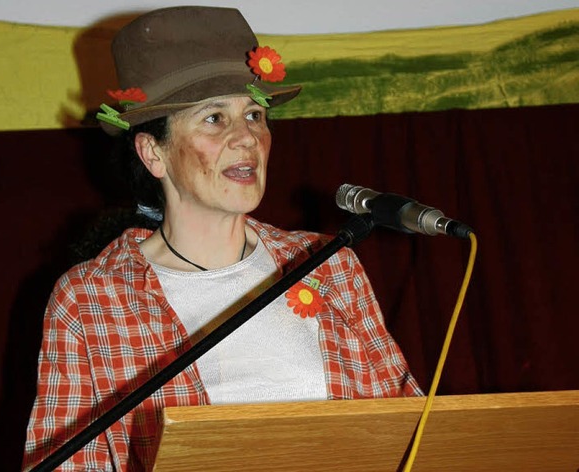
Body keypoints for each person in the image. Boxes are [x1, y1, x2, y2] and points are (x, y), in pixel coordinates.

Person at [23, 6, 422, 471]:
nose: (247, 137)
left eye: (254, 114)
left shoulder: (328, 264)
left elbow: (410, 428)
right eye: (214, 118)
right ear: (154, 152)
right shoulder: (91, 298)